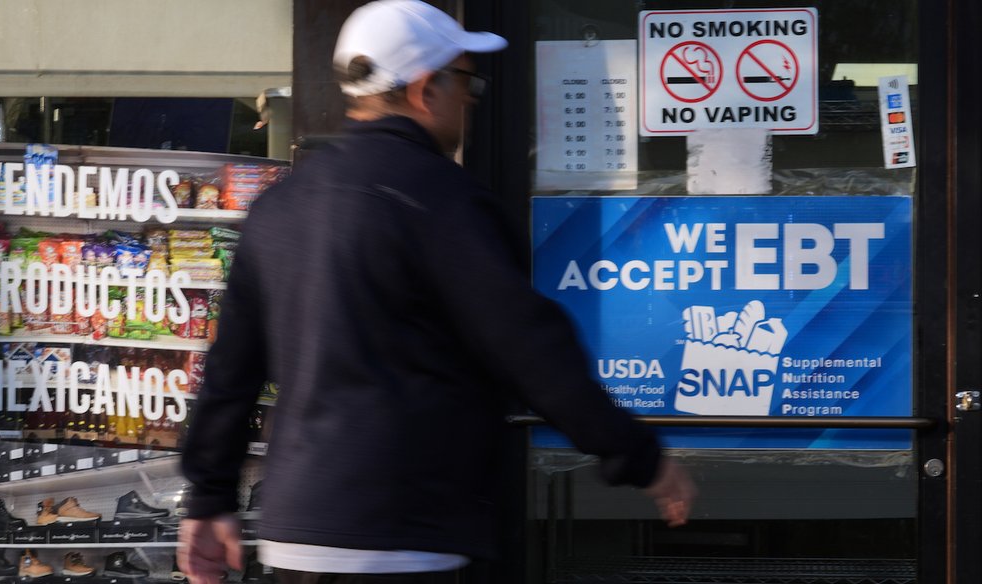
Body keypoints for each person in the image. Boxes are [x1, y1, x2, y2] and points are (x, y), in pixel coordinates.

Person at [178, 1, 696, 583]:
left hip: (295, 533)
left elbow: (231, 371)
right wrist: (637, 456)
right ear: (427, 89)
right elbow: (530, 349)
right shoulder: (444, 201)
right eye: (467, 82)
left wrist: (208, 496)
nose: (472, 99)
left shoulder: (279, 208)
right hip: (407, 533)